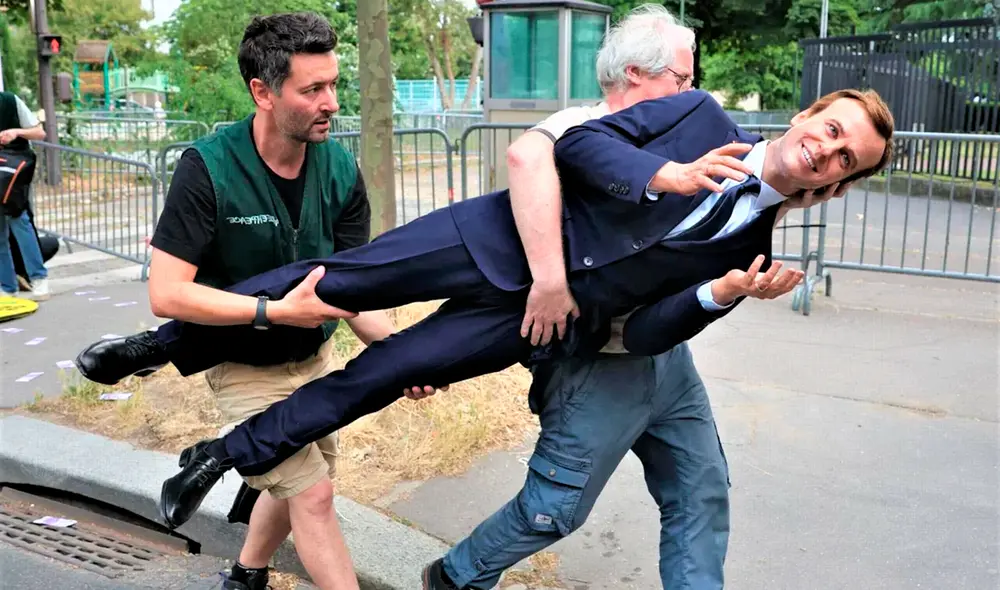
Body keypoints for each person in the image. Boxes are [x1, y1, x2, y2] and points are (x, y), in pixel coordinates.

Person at [75, 81, 895, 534]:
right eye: (830, 126)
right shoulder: (697, 114)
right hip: (486, 238)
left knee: (381, 375)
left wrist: (721, 296)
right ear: (806, 117)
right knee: (330, 283)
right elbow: (576, 144)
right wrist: (662, 177)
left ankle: (218, 456)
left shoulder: (749, 257)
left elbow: (645, 330)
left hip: (526, 323)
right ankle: (163, 341)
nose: (825, 146)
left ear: (837, 182)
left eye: (844, 155)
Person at [418, 6, 818, 589]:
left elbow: (746, 184)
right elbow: (526, 164)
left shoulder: (683, 139)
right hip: (595, 362)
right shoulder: (578, 127)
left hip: (664, 357)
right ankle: (455, 577)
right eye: (683, 80)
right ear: (637, 74)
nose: (692, 94)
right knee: (553, 509)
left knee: (700, 490)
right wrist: (538, 293)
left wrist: (781, 198)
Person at [95, 13, 444, 590]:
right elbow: (167, 293)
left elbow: (354, 290)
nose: (331, 102)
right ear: (262, 91)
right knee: (313, 491)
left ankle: (246, 573)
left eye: (334, 84)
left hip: (314, 362)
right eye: (312, 89)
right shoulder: (207, 168)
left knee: (297, 478)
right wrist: (272, 311)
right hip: (240, 364)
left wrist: (405, 355)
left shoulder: (339, 168)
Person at [0, 90, 49, 300]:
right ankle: (6, 287)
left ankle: (38, 278)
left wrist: (16, 132)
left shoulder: (10, 101)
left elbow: (39, 133)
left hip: (12, 170)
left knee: (18, 219)